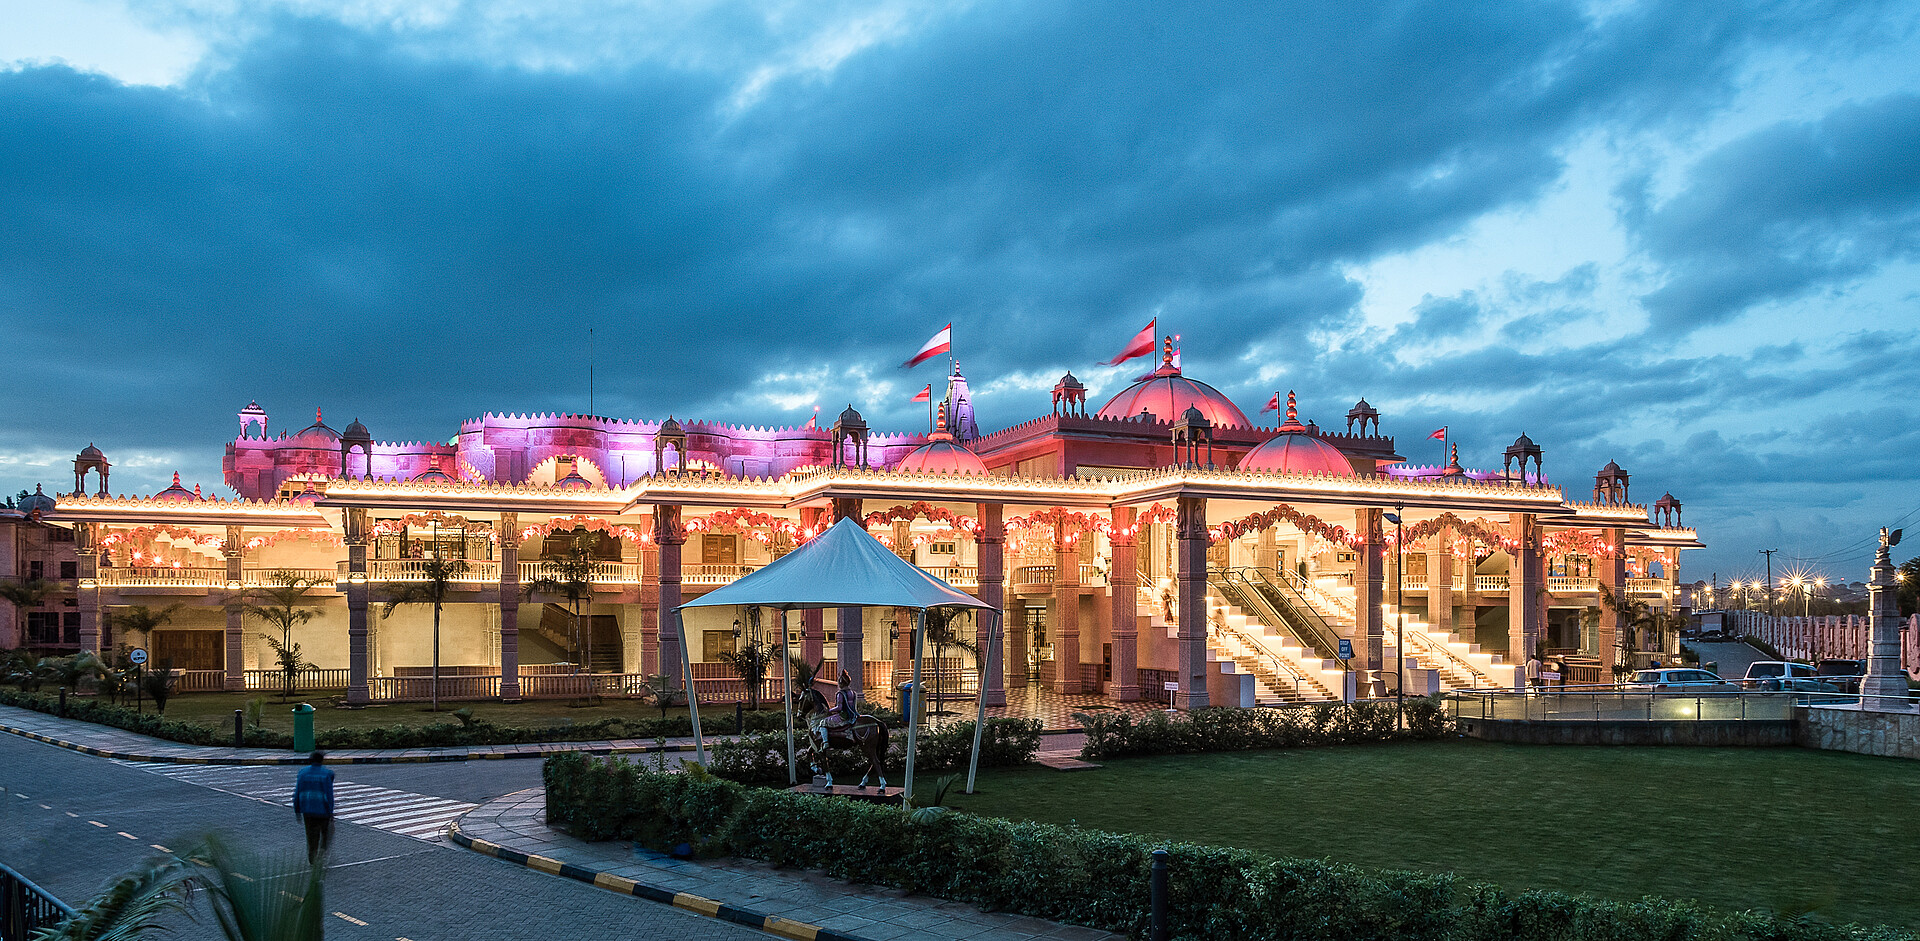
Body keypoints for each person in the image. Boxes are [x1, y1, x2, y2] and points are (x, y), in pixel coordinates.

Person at [293, 750, 336, 862]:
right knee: (326, 833)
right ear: (322, 761)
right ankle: (322, 852)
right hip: (323, 810)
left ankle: (312, 857)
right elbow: (329, 795)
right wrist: (331, 812)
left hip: (307, 810)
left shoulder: (302, 773)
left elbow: (297, 793)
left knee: (311, 835)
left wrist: (297, 810)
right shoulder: (327, 774)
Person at [816, 670, 857, 748]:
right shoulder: (852, 692)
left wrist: (829, 710)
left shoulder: (840, 694)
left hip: (843, 717)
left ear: (841, 683)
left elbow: (839, 707)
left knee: (822, 722)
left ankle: (825, 742)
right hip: (852, 716)